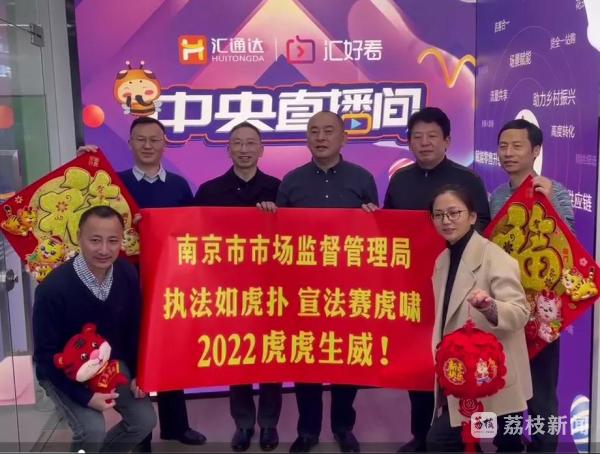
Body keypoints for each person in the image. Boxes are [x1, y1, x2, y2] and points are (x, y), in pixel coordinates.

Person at [78, 116, 205, 448]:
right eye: (141, 139)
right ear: (130, 143)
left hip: (170, 281)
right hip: (125, 283)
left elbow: (191, 233)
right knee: (133, 353)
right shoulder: (114, 184)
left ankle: (177, 426)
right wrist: (86, 166)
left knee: (171, 350)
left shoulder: (179, 186)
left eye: (154, 139)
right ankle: (141, 432)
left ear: (164, 144)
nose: (148, 145)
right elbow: (88, 216)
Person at [383, 107, 490, 452]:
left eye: (432, 136)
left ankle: (465, 438)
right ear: (409, 142)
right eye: (417, 136)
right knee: (419, 364)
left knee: (462, 361)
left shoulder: (467, 180)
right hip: (413, 288)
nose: (424, 142)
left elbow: (483, 229)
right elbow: (388, 230)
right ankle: (421, 436)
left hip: (458, 288)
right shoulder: (400, 180)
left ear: (447, 141)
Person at [271, 111, 378, 453]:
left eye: (328, 131)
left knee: (348, 360)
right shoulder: (291, 181)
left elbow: (378, 237)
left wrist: (373, 218)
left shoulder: (362, 179)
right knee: (307, 361)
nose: (320, 137)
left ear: (343, 137)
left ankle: (343, 427)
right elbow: (278, 238)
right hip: (303, 291)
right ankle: (308, 431)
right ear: (306, 138)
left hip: (349, 289)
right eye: (314, 131)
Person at [32, 206, 157, 452]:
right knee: (92, 430)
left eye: (113, 241)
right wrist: (86, 398)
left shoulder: (127, 273)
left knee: (144, 421)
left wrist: (140, 374)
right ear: (79, 237)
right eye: (95, 240)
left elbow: (134, 331)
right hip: (63, 371)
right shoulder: (52, 289)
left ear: (122, 240)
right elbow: (45, 357)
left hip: (107, 363)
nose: (104, 250)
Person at [194, 121, 282, 452]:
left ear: (261, 149)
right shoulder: (209, 191)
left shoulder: (278, 189)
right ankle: (243, 424)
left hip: (271, 290)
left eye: (250, 143)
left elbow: (295, 238)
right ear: (228, 149)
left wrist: (276, 217)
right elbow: (190, 236)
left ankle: (269, 424)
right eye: (237, 143)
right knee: (237, 355)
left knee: (271, 356)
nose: (244, 150)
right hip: (226, 290)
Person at [426, 185, 532, 452]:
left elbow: (519, 312)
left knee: (503, 444)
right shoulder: (443, 260)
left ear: (472, 216)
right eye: (439, 215)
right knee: (455, 441)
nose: (446, 221)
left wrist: (490, 308)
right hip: (462, 375)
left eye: (454, 213)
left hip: (495, 376)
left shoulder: (494, 256)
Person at [490, 119, 574, 453]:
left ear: (536, 150)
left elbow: (569, 245)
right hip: (506, 307)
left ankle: (543, 447)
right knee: (506, 386)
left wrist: (549, 202)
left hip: (542, 311)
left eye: (517, 146)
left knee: (541, 392)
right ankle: (507, 445)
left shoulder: (555, 190)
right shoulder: (497, 196)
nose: (508, 153)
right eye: (503, 146)